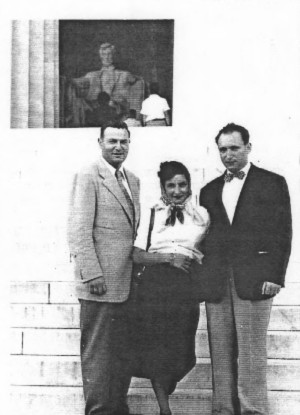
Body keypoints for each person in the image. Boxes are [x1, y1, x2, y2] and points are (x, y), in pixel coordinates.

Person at [200, 123, 292, 415]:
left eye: (234, 148)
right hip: (217, 281)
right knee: (221, 352)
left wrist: (275, 276)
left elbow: (282, 232)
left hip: (254, 278)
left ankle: (254, 410)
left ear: (248, 148)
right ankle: (224, 410)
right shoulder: (209, 190)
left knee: (251, 352)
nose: (228, 155)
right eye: (223, 149)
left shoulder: (272, 182)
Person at [68, 120, 140, 415]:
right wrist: (92, 273)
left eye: (123, 141)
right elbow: (78, 230)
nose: (118, 147)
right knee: (98, 356)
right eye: (112, 141)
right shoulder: (88, 175)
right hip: (99, 284)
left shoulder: (132, 179)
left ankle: (117, 409)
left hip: (126, 283)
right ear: (100, 143)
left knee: (121, 354)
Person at [131, 161, 210, 415]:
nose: (177, 190)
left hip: (186, 287)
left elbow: (211, 250)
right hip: (156, 284)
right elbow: (136, 255)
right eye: (171, 185)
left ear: (189, 184)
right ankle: (165, 409)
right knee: (158, 348)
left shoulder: (202, 215)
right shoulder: (152, 213)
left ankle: (166, 384)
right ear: (163, 187)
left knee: (185, 354)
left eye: (182, 184)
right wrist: (169, 258)